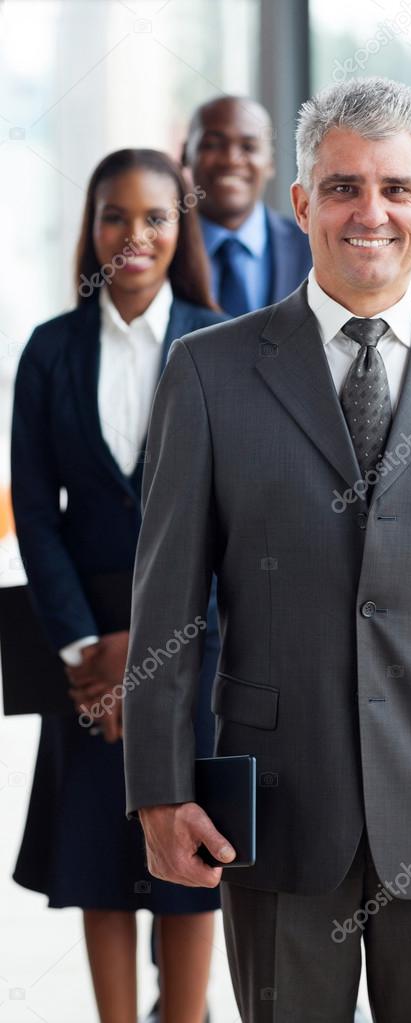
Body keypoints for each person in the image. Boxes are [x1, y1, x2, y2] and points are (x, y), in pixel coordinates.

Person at [123, 79, 411, 1023]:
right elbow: (166, 600)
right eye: (341, 187)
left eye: (395, 189)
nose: (369, 213)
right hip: (276, 811)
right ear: (301, 203)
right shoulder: (208, 374)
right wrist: (160, 793)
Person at [11, 148, 227, 1023]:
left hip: (198, 641)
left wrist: (160, 651)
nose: (133, 235)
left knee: (189, 858)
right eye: (113, 216)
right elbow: (35, 510)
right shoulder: (51, 349)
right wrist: (88, 648)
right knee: (101, 856)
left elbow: (241, 519)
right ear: (90, 228)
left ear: (182, 228)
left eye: (156, 217)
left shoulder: (223, 340)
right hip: (88, 650)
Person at [182, 94, 312, 316]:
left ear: (270, 162)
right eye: (213, 144)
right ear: (185, 154)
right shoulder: (162, 247)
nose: (231, 159)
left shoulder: (312, 248)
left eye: (249, 147)